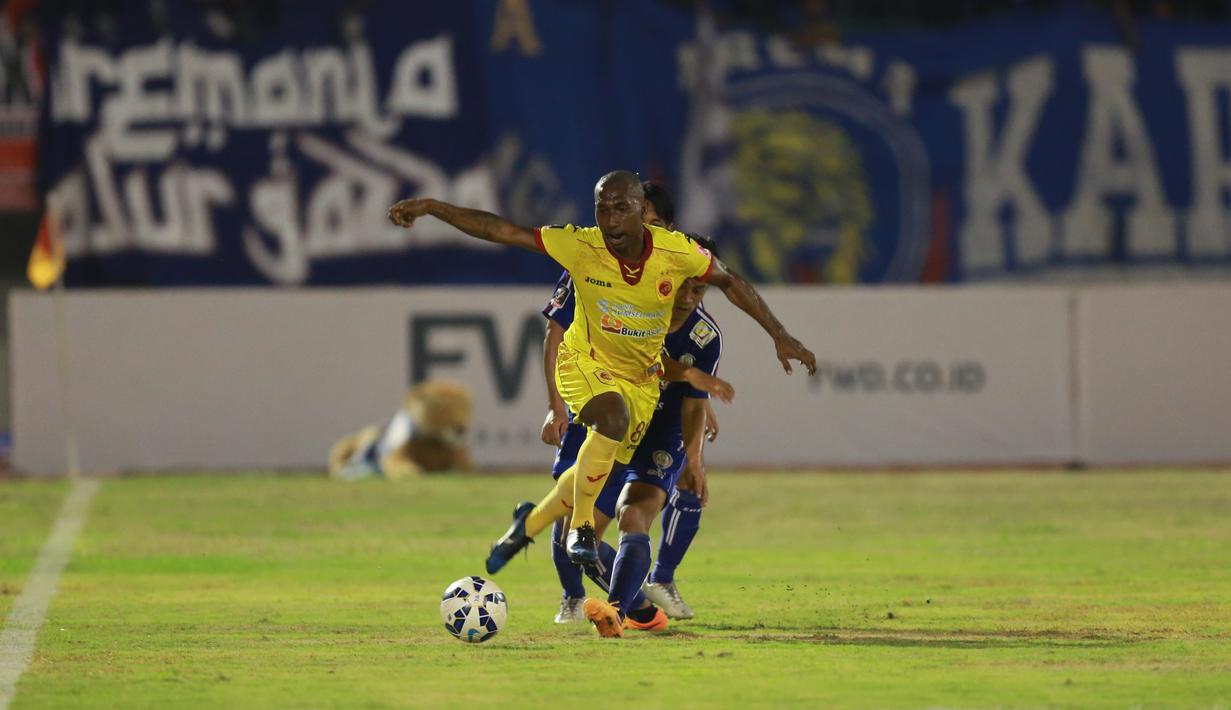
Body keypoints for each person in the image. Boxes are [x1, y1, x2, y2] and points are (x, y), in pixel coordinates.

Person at [388, 170, 817, 637]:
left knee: (594, 471)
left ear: (641, 211)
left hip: (640, 387)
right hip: (583, 365)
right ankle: (582, 544)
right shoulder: (581, 246)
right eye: (601, 207)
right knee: (607, 430)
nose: (609, 219)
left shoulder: (677, 258)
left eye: (620, 208)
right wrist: (433, 207)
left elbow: (730, 281)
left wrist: (780, 335)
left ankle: (534, 526)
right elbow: (502, 230)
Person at [541, 183, 718, 625]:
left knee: (641, 511)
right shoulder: (595, 266)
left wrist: (698, 412)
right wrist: (557, 407)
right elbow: (559, 333)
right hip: (609, 409)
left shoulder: (692, 308)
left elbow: (683, 375)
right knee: (573, 518)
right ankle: (595, 599)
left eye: (651, 223)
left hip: (654, 421)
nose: (633, 230)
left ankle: (645, 593)